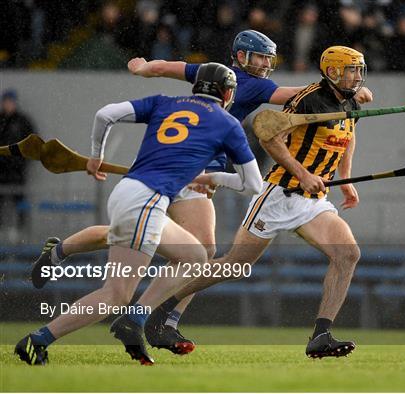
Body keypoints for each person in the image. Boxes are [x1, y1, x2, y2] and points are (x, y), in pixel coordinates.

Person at [31, 30, 374, 354]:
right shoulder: (252, 89)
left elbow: (168, 67)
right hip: (201, 170)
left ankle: (74, 258)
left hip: (190, 168)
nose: (266, 65)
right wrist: (342, 88)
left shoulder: (203, 76)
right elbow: (299, 96)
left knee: (174, 243)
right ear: (240, 57)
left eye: (269, 59)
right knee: (185, 248)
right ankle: (150, 313)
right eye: (260, 58)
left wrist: (144, 69)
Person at [111, 45, 366, 359]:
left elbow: (347, 134)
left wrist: (348, 179)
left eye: (359, 69)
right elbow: (269, 136)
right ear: (333, 71)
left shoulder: (351, 101)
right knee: (234, 265)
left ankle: (321, 335)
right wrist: (301, 173)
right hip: (279, 194)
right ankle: (158, 309)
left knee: (348, 254)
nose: (357, 76)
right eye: (351, 69)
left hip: (314, 201)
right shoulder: (307, 100)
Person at [15, 62, 263, 366]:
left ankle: (132, 317)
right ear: (227, 92)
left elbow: (105, 114)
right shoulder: (227, 123)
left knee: (196, 256)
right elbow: (253, 184)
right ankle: (41, 339)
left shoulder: (164, 102)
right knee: (116, 294)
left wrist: (96, 156)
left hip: (131, 192)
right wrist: (214, 178)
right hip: (147, 200)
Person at [0, 89, 35, 239]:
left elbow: (33, 143)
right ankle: (2, 230)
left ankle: (21, 232)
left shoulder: (22, 121)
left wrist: (21, 161)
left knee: (19, 199)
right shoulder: (1, 120)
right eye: (5, 101)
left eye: (10, 101)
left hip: (17, 170)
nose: (8, 105)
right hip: (1, 170)